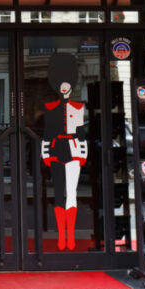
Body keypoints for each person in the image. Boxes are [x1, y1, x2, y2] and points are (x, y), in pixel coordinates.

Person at [41, 52, 88, 251]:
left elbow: (80, 133)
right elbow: (47, 134)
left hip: (73, 151)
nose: (64, 86)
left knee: (71, 194)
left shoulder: (78, 107)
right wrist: (46, 154)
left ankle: (70, 236)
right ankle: (62, 235)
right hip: (57, 151)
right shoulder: (50, 108)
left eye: (67, 82)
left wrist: (82, 153)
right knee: (59, 193)